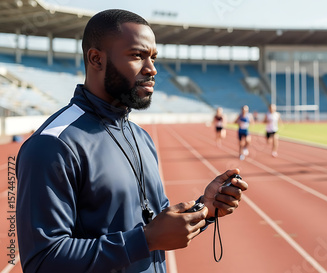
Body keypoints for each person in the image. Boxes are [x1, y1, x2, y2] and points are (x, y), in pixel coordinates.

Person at [15, 9, 248, 273]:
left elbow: (157, 223)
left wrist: (203, 209)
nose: (152, 69)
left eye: (153, 57)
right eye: (138, 56)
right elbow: (42, 261)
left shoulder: (141, 137)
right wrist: (146, 240)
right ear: (96, 59)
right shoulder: (53, 145)